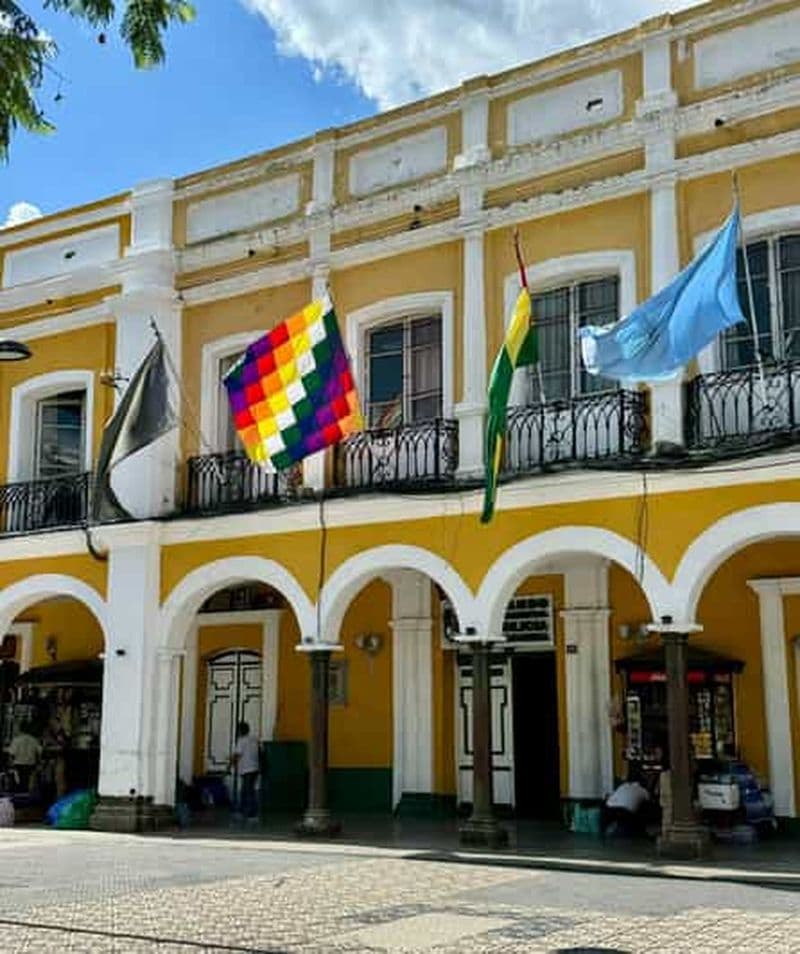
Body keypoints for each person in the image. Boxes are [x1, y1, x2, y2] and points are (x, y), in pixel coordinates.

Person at [604, 770, 650, 836]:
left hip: (608, 809)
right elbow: (649, 801)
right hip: (624, 812)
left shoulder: (622, 786)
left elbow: (610, 797)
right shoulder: (643, 790)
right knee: (644, 808)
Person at [230, 721, 259, 823]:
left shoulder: (241, 741)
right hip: (255, 768)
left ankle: (250, 814)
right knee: (248, 791)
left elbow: (237, 754)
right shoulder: (254, 739)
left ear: (240, 730)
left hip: (247, 769)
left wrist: (231, 764)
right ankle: (246, 813)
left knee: (247, 792)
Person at [7, 723, 42, 794]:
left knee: (19, 782)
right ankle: (27, 793)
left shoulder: (16, 740)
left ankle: (19, 793)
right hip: (30, 764)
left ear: (20, 729)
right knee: (27, 781)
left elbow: (12, 753)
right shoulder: (34, 740)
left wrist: (10, 763)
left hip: (18, 764)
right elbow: (39, 752)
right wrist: (38, 762)